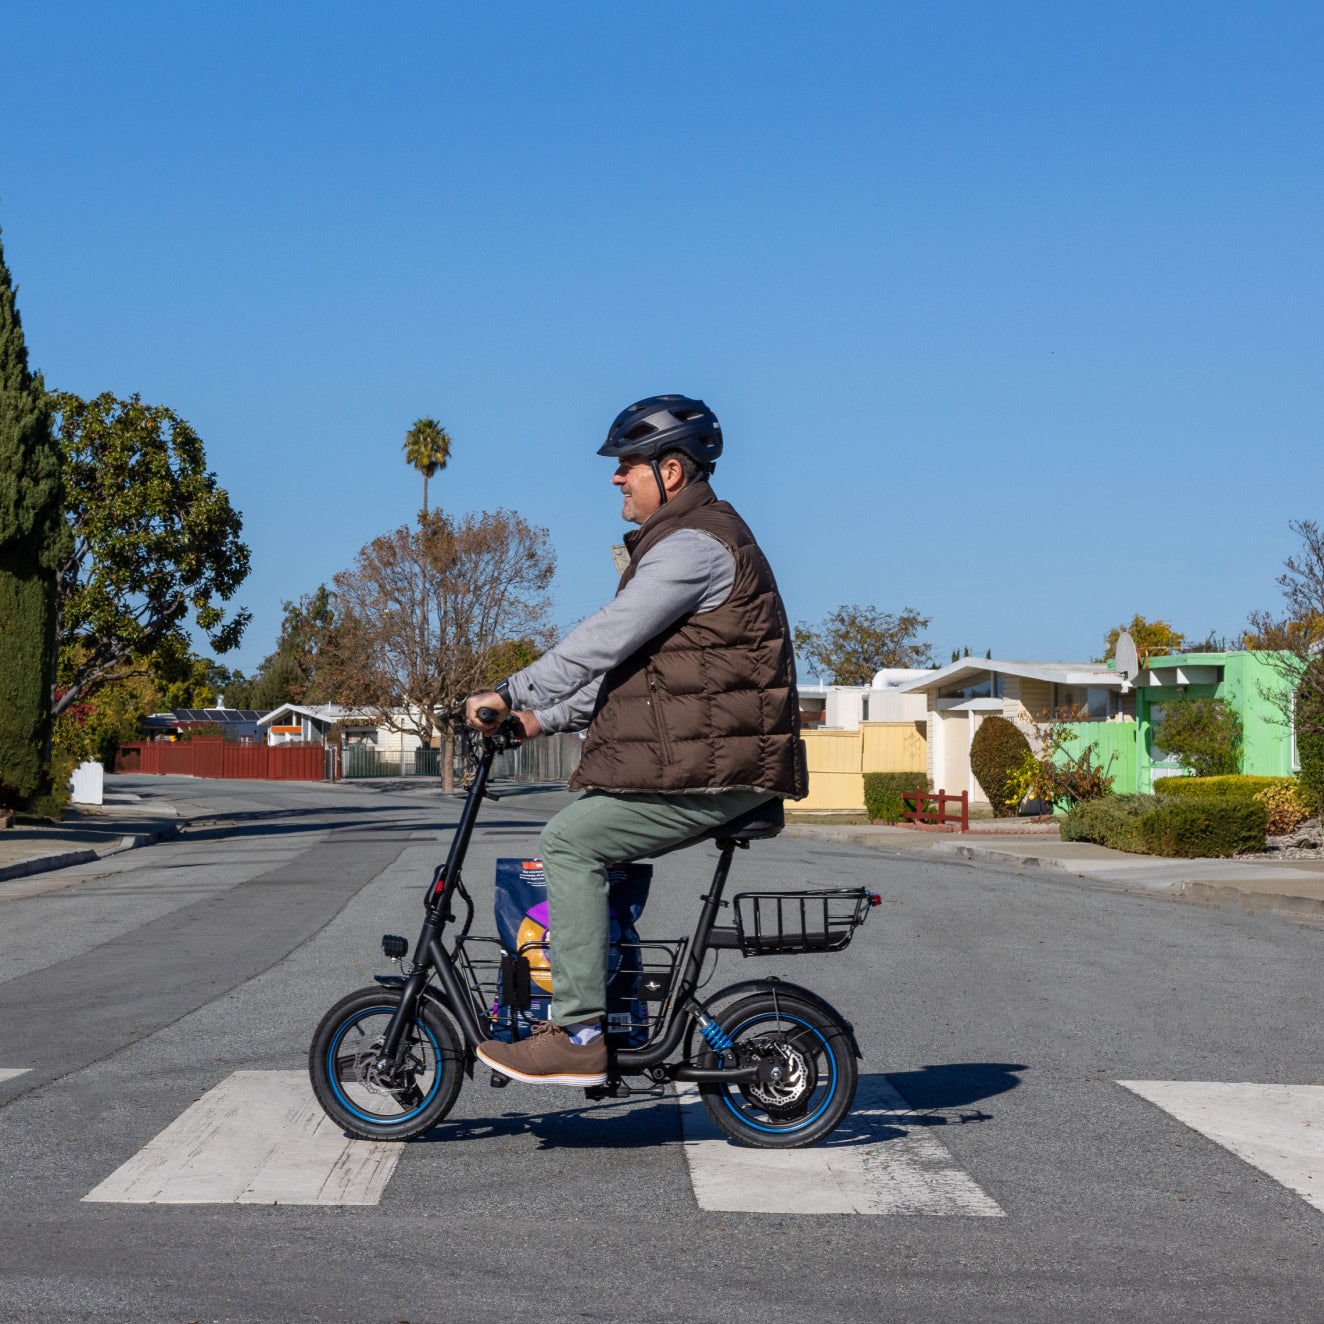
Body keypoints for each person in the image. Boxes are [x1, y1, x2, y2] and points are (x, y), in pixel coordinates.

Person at [465, 394, 806, 1087]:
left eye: (627, 465)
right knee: (585, 840)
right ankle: (603, 1012)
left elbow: (605, 639)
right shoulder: (687, 543)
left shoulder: (693, 547)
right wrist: (535, 721)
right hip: (718, 763)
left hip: (724, 771)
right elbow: (637, 676)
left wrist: (510, 692)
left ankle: (580, 1032)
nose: (617, 478)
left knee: (570, 841)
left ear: (671, 472)